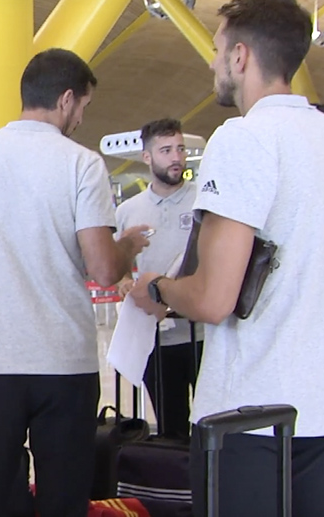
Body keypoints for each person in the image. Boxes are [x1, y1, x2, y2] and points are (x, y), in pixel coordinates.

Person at [0, 48, 150, 517]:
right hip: (64, 365)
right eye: (83, 106)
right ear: (66, 99)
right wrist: (128, 245)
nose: (81, 118)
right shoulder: (81, 163)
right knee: (63, 500)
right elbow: (103, 269)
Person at [128, 1, 324, 515]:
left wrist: (157, 288)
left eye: (217, 51)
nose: (213, 63)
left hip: (252, 420)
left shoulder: (244, 137)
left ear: (240, 56)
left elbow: (214, 298)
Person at [115, 118, 203, 440]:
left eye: (180, 149)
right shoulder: (128, 211)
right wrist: (124, 281)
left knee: (210, 423)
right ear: (147, 157)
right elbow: (120, 266)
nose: (176, 157)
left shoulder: (203, 202)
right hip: (156, 338)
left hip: (204, 334)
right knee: (171, 427)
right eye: (166, 151)